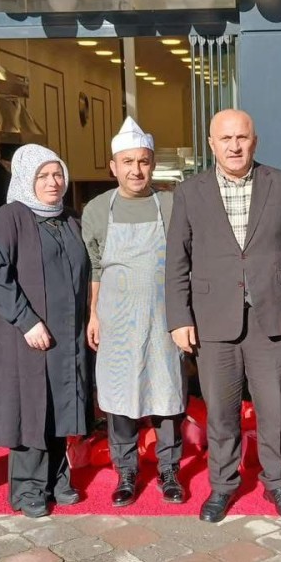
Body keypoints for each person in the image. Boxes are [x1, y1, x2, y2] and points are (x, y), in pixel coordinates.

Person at [165, 109, 281, 523]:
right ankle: (223, 486)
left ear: (255, 141)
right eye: (225, 138)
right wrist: (179, 317)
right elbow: (177, 260)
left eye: (242, 137)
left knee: (274, 409)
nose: (234, 146)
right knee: (221, 412)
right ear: (211, 143)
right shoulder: (189, 192)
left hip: (274, 317)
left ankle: (278, 483)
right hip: (214, 321)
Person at [84, 119, 186, 508]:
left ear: (152, 164)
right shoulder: (97, 210)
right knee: (120, 397)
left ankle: (169, 469)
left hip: (163, 319)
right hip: (117, 318)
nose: (136, 170)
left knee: (167, 396)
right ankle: (126, 471)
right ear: (113, 166)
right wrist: (93, 314)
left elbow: (184, 263)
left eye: (143, 161)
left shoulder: (171, 204)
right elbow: (95, 267)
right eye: (127, 162)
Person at [0, 144, 89, 517]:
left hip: (66, 335)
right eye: (42, 176)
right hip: (26, 335)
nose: (52, 182)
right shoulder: (10, 218)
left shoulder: (69, 218)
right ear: (26, 180)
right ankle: (27, 488)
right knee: (31, 408)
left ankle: (57, 478)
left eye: (57, 173)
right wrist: (27, 321)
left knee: (61, 405)